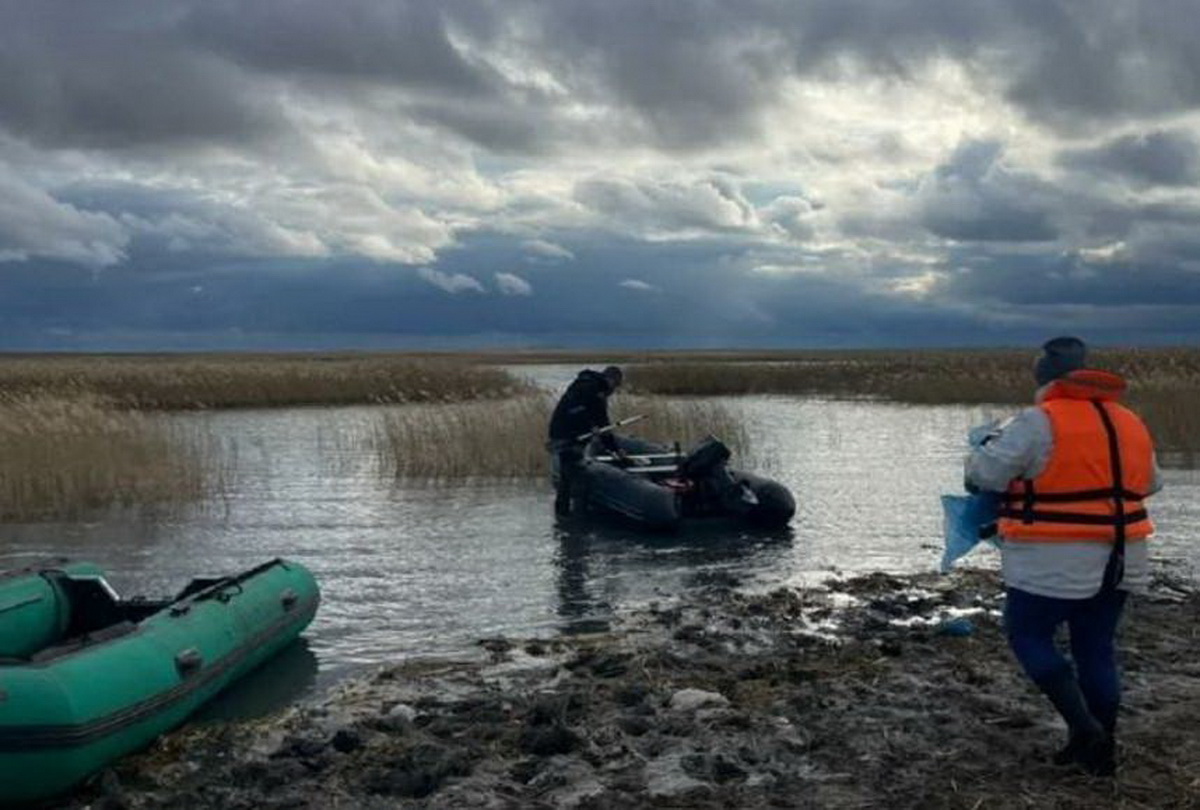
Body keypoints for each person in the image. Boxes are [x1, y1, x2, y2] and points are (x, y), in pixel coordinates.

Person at [964, 336, 1161, 777]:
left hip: (1052, 558)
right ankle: (1100, 749)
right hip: (1124, 555)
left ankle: (1083, 727)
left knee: (1027, 635)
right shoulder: (1130, 421)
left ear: (1046, 379)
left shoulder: (1038, 421)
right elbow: (1150, 484)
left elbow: (984, 474)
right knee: (1095, 648)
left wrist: (982, 452)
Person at [547, 365, 626, 515]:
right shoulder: (592, 389)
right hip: (567, 435)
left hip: (567, 433)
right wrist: (591, 426)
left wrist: (613, 448)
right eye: (615, 385)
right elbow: (581, 412)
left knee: (567, 474)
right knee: (575, 473)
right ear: (610, 380)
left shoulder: (592, 387)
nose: (614, 390)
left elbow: (600, 422)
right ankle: (574, 515)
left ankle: (564, 515)